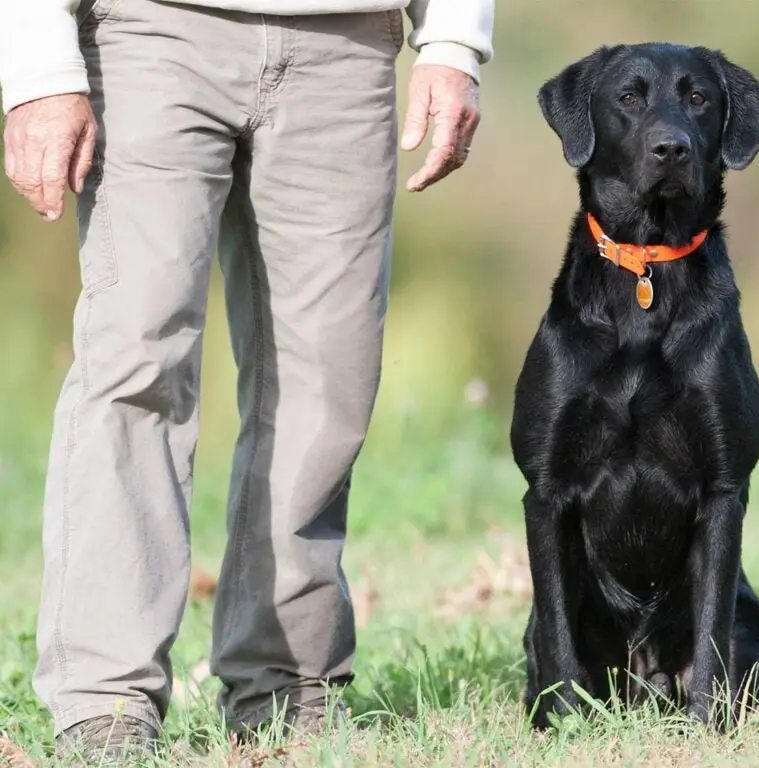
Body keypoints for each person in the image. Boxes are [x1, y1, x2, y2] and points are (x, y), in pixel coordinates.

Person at [0, 0, 493, 759]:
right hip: (150, 30)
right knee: (136, 359)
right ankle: (105, 700)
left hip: (347, 41)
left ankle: (286, 687)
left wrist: (455, 39)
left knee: (329, 376)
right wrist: (37, 68)